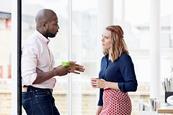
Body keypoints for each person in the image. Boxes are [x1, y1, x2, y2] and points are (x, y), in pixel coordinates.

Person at [22, 9, 85, 115]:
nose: (58, 27)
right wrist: (55, 72)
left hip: (43, 95)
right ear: (44, 25)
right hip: (36, 95)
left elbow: (44, 70)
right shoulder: (33, 44)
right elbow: (29, 78)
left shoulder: (42, 43)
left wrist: (65, 68)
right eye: (55, 24)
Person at [91, 25, 138, 115]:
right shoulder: (103, 60)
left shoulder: (124, 58)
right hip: (106, 104)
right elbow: (102, 90)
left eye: (106, 37)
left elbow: (132, 85)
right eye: (102, 37)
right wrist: (98, 112)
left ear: (114, 40)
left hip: (119, 104)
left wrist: (106, 84)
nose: (102, 40)